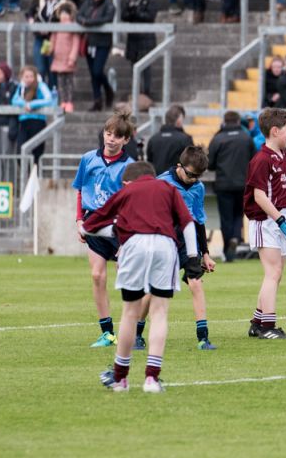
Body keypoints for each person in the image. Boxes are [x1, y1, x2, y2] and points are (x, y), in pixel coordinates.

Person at [85, 161, 202, 394]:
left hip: (133, 245)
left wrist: (117, 231)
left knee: (130, 312)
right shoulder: (168, 188)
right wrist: (191, 257)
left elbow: (88, 227)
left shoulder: (125, 191)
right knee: (159, 312)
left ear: (129, 181)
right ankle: (151, 379)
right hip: (165, 245)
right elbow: (188, 223)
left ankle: (120, 378)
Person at [74, 114, 136, 348]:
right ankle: (107, 332)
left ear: (126, 139)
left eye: (117, 136)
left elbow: (132, 201)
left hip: (121, 226)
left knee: (127, 278)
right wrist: (79, 220)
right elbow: (80, 191)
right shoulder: (88, 159)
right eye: (108, 133)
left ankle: (133, 330)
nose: (111, 139)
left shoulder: (129, 167)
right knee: (97, 276)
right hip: (94, 223)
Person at [243, 107, 286, 339]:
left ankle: (258, 323)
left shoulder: (284, 156)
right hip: (264, 220)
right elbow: (259, 196)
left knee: (277, 273)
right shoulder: (261, 159)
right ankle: (268, 326)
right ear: (275, 131)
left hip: (280, 218)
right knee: (272, 272)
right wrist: (279, 219)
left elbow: (283, 190)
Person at [154, 146, 218, 350]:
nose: (193, 179)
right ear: (180, 166)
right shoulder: (162, 182)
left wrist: (205, 254)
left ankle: (203, 338)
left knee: (196, 284)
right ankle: (137, 335)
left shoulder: (197, 188)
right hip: (163, 239)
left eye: (198, 176)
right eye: (191, 174)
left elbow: (199, 221)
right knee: (153, 291)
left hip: (187, 240)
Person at [207, 110, 256, 261]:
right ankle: (235, 237)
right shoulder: (246, 138)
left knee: (225, 217)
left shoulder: (218, 138)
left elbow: (210, 164)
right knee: (238, 215)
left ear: (225, 121)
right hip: (243, 184)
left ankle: (228, 246)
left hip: (223, 184)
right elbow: (254, 160)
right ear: (237, 121)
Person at [76, 0, 116, 111]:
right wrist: (85, 21)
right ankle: (97, 99)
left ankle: (108, 89)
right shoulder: (87, 3)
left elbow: (107, 18)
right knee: (92, 73)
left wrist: (88, 23)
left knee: (97, 71)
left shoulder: (109, 4)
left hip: (102, 42)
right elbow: (79, 16)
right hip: (89, 41)